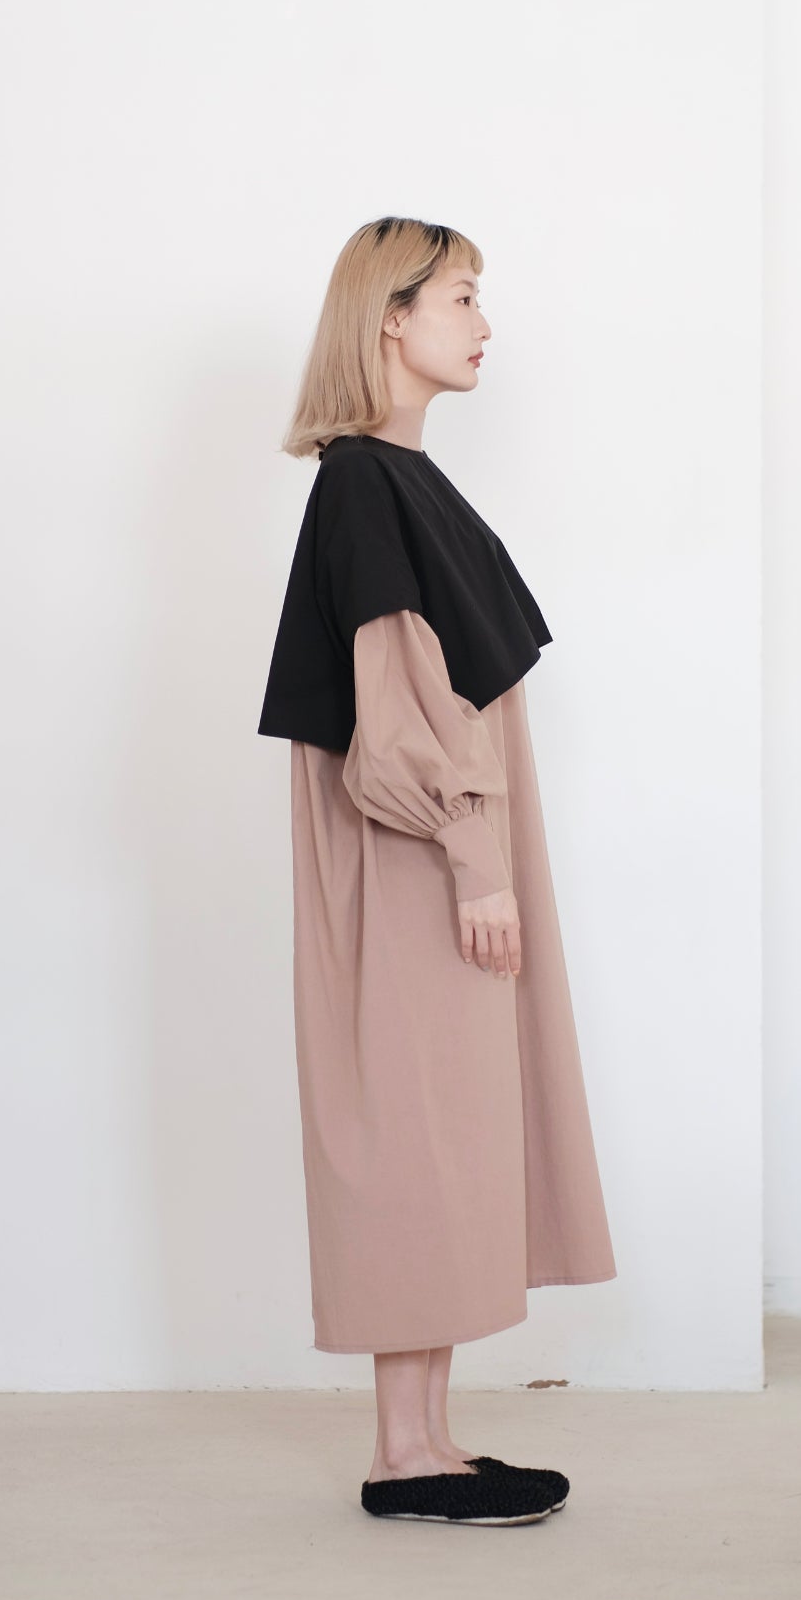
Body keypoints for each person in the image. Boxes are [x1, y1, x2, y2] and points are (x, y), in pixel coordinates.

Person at [258, 217, 616, 1525]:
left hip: (440, 851)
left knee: (444, 1130)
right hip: (414, 859)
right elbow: (400, 711)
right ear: (390, 316)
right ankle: (401, 1458)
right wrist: (475, 858)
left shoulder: (402, 478)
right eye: (462, 296)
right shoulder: (364, 483)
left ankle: (428, 1443)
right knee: (416, 1131)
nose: (483, 323)